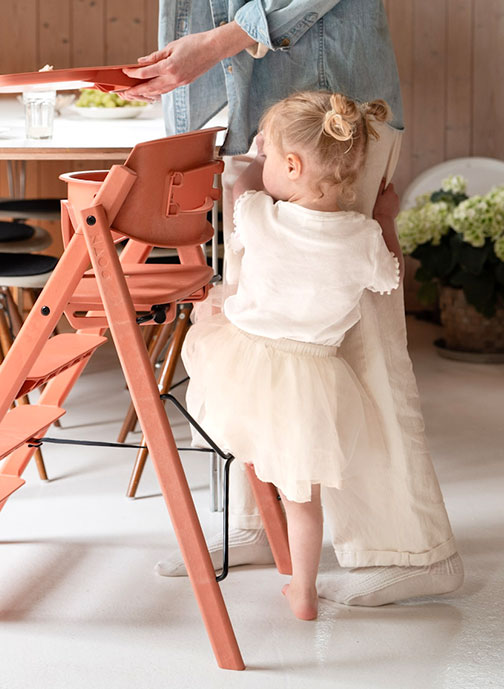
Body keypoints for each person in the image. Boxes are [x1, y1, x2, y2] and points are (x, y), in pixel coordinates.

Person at [120, 0, 464, 607]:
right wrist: (176, 92)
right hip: (260, 126)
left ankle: (412, 551)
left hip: (333, 115)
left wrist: (220, 43)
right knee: (261, 317)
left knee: (364, 350)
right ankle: (262, 523)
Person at [184, 90, 401, 620]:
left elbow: (239, 187)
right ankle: (303, 593)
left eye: (270, 153)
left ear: (291, 165)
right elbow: (390, 277)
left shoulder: (262, 216)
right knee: (305, 500)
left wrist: (253, 163)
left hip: (247, 364)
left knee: (248, 444)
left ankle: (251, 521)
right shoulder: (363, 236)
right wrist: (385, 216)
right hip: (315, 376)